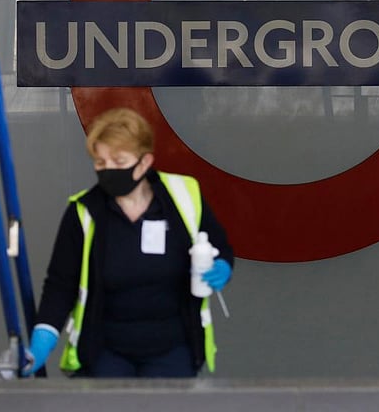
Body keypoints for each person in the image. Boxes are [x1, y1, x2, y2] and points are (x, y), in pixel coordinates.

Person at [23, 107, 234, 378]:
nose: (108, 170)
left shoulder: (184, 197)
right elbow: (60, 286)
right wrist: (41, 344)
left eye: (119, 162)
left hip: (173, 348)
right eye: (101, 163)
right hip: (105, 350)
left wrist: (222, 267)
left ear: (144, 163)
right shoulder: (84, 211)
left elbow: (219, 246)